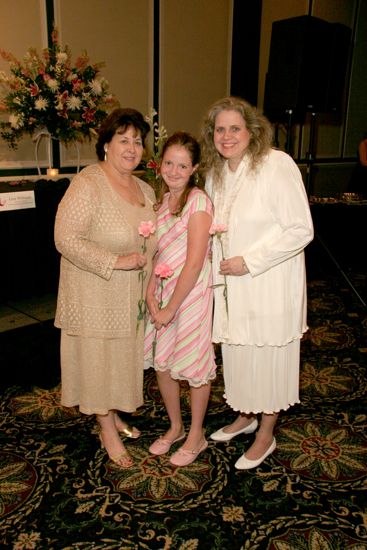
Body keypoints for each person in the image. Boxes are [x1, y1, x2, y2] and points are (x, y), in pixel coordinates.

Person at [200, 97, 314, 469]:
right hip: (231, 289)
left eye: (235, 128)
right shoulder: (215, 173)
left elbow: (301, 229)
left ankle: (266, 432)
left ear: (252, 131)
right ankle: (246, 416)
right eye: (220, 129)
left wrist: (249, 262)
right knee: (238, 356)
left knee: (267, 358)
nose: (227, 136)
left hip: (268, 284)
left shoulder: (276, 165)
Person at [54, 108, 157, 468]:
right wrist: (114, 261)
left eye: (137, 141)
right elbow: (65, 238)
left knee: (118, 362)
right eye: (123, 140)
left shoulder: (145, 188)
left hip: (130, 298)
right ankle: (106, 429)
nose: (131, 148)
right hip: (94, 294)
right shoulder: (88, 182)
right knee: (98, 362)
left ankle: (111, 415)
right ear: (106, 145)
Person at [144, 131, 216, 466]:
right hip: (161, 294)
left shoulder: (198, 201)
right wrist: (149, 295)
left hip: (189, 297)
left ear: (194, 168)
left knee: (193, 365)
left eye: (182, 165)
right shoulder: (159, 202)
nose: (174, 171)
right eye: (169, 163)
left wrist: (172, 307)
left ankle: (196, 435)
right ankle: (175, 427)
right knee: (163, 364)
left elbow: (195, 260)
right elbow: (153, 254)